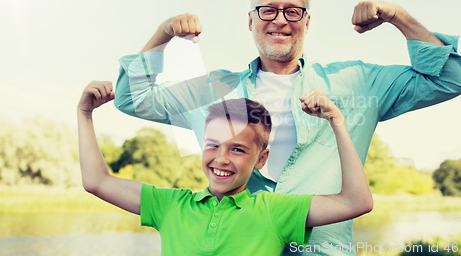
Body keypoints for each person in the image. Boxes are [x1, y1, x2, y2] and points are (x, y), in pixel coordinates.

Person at [114, 0, 461, 255]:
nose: (280, 20)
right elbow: (133, 98)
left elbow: (450, 79)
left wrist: (397, 16)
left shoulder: (356, 82)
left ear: (307, 21)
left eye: (292, 11)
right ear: (250, 20)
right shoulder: (210, 90)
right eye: (267, 10)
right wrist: (162, 34)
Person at [77, 81, 373, 256]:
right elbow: (96, 181)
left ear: (261, 159)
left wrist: (337, 121)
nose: (221, 158)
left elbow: (356, 202)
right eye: (213, 145)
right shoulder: (170, 206)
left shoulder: (274, 210)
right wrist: (84, 113)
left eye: (238, 149)